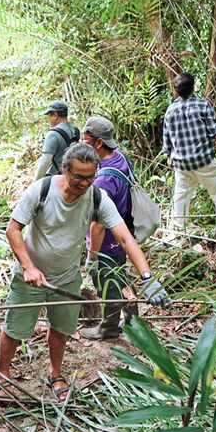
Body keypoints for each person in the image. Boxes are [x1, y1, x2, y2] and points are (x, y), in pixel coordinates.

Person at [0, 143, 170, 401]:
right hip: (30, 276)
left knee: (61, 327)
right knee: (15, 328)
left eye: (90, 177)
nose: (83, 183)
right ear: (64, 169)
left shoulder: (97, 197)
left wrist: (148, 278)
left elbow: (125, 238)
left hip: (66, 276)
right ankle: (4, 374)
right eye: (78, 176)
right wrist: (28, 267)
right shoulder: (42, 190)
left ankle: (55, 373)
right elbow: (13, 229)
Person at [79, 117, 148, 340]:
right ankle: (132, 323)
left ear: (98, 143)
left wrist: (92, 256)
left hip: (106, 241)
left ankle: (108, 328)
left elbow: (98, 224)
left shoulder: (103, 180)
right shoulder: (120, 159)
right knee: (122, 278)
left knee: (106, 284)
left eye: (85, 138)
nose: (82, 141)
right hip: (122, 234)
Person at [163, 72, 216, 235]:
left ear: (176, 90)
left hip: (182, 164)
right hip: (203, 161)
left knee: (181, 195)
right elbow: (215, 132)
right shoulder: (202, 105)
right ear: (193, 87)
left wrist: (169, 158)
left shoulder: (170, 110)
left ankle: (177, 231)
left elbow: (167, 140)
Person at [33, 100, 80, 181]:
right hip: (71, 178)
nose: (49, 119)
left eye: (49, 116)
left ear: (55, 115)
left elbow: (45, 161)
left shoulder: (53, 134)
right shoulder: (76, 131)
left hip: (54, 180)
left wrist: (35, 182)